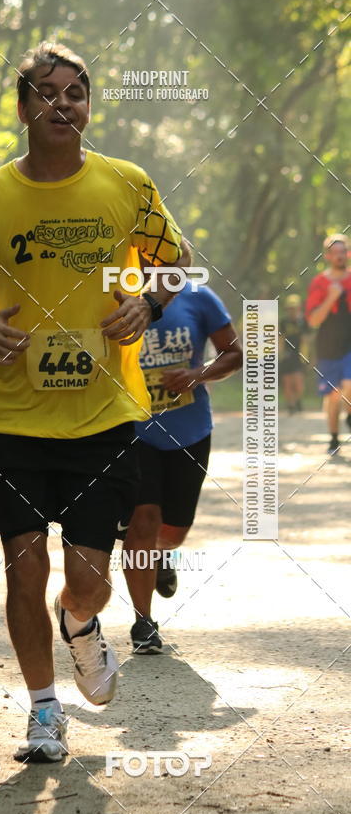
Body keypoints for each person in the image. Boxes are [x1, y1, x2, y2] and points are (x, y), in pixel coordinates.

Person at [0, 42, 183, 762]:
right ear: (22, 107)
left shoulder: (128, 184)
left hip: (104, 413)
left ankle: (79, 622)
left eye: (75, 93)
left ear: (88, 106)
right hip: (12, 413)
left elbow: (175, 264)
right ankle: (44, 711)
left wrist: (147, 304)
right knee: (22, 560)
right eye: (47, 93)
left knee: (86, 579)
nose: (62, 104)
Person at [120, 250, 242, 654]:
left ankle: (159, 555)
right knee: (143, 519)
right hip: (134, 429)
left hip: (189, 430)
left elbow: (234, 353)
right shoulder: (119, 296)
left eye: (165, 259)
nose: (155, 265)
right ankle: (144, 622)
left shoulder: (200, 298)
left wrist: (197, 374)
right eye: (147, 257)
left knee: (172, 530)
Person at [305, 234, 351, 455]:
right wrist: (332, 297)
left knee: (349, 384)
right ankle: (334, 437)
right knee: (333, 396)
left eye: (344, 251)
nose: (340, 256)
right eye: (336, 252)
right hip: (328, 348)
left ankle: (349, 415)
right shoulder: (319, 283)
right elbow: (313, 320)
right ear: (327, 256)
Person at [279, 294, 306, 414]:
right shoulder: (284, 322)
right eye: (290, 308)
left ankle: (297, 400)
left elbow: (309, 337)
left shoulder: (304, 322)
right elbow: (279, 337)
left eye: (294, 308)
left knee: (298, 382)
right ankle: (290, 405)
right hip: (287, 354)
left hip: (300, 355)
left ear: (299, 308)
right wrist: (279, 353)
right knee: (287, 381)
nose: (292, 310)